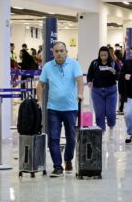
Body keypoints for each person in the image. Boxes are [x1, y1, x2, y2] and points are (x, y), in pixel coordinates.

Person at [36, 42, 84, 177]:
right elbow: (40, 85)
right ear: (53, 53)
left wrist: (80, 93)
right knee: (53, 138)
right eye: (56, 51)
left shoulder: (74, 64)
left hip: (70, 108)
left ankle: (68, 159)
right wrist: (39, 100)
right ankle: (57, 166)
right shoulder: (48, 66)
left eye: (62, 51)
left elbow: (80, 80)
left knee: (71, 137)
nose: (59, 53)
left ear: (66, 51)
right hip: (53, 109)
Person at [87, 46, 120, 139]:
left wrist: (114, 72)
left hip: (111, 91)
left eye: (105, 55)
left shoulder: (113, 63)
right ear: (99, 55)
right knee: (99, 112)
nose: (103, 57)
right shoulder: (94, 63)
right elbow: (89, 74)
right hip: (97, 91)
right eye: (101, 55)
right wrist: (89, 81)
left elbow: (119, 76)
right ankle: (101, 130)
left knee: (111, 112)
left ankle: (111, 128)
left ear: (108, 54)